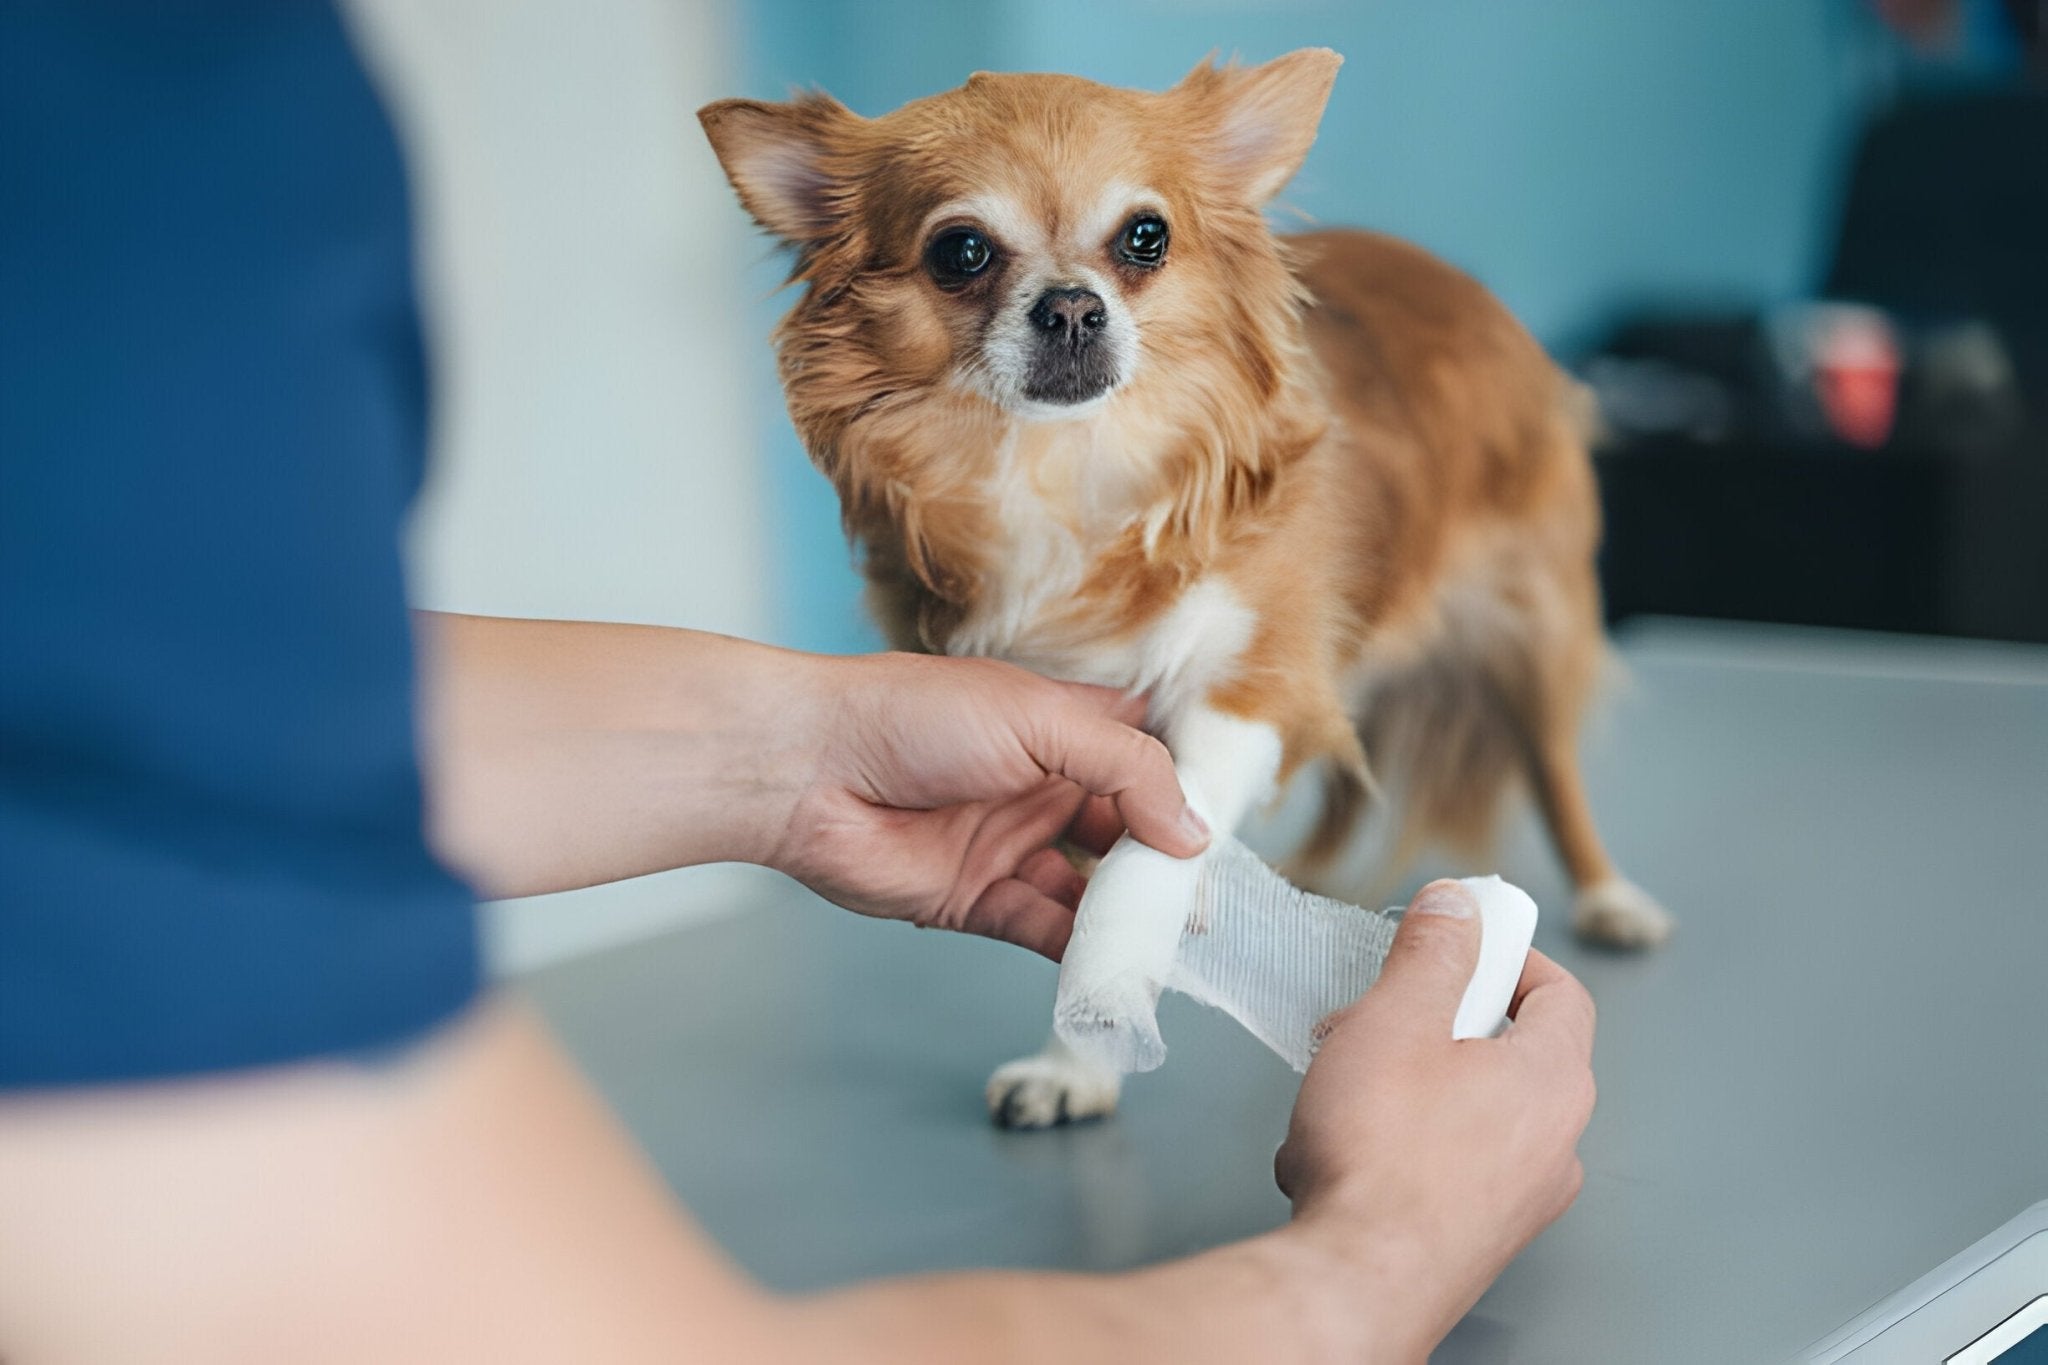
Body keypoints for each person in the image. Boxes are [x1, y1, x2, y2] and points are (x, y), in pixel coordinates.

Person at [0, 5, 1596, 1360]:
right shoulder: (133, 121)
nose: (1064, 297)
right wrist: (1382, 1252)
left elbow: (193, 715)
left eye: (1135, 244)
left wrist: (793, 752)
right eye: (966, 255)